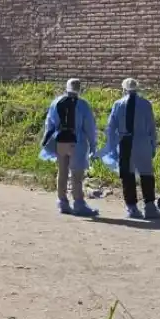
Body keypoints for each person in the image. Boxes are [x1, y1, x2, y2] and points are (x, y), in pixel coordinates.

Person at [98, 78, 160, 220]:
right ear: (137, 88)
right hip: (142, 141)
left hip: (125, 142)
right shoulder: (146, 104)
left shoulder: (118, 104)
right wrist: (153, 146)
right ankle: (150, 206)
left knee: (127, 175)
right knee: (147, 175)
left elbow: (111, 127)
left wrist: (111, 146)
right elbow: (152, 127)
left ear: (123, 89)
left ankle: (132, 208)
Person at [39, 78, 99, 217]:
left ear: (66, 88)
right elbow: (89, 126)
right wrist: (93, 144)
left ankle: (62, 202)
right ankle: (79, 204)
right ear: (79, 89)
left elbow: (50, 123)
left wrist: (48, 140)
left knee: (62, 172)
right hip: (77, 142)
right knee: (77, 175)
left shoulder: (56, 102)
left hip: (61, 140)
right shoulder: (83, 105)